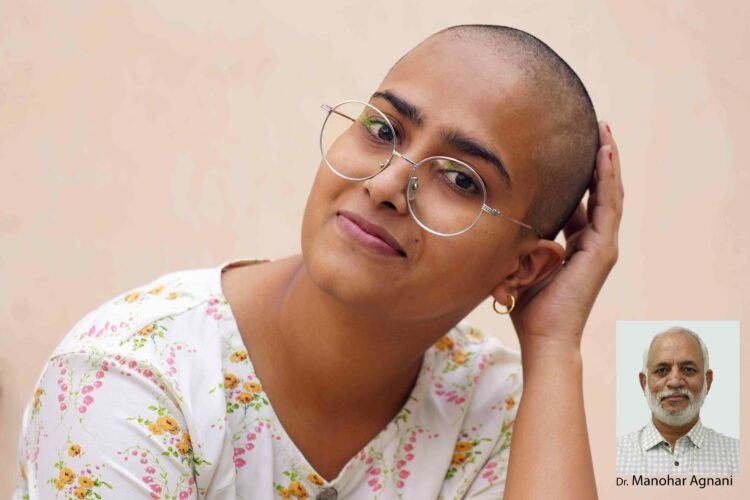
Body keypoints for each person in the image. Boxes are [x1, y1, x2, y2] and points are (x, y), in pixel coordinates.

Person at [15, 24, 622, 499]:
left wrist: (555, 349)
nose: (386, 185)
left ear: (523, 269)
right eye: (383, 131)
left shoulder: (499, 415)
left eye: (461, 179)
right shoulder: (130, 379)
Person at [616, 327, 739, 475]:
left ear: (708, 381)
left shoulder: (738, 456)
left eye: (688, 369)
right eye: (661, 370)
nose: (675, 382)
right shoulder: (615, 455)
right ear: (644, 383)